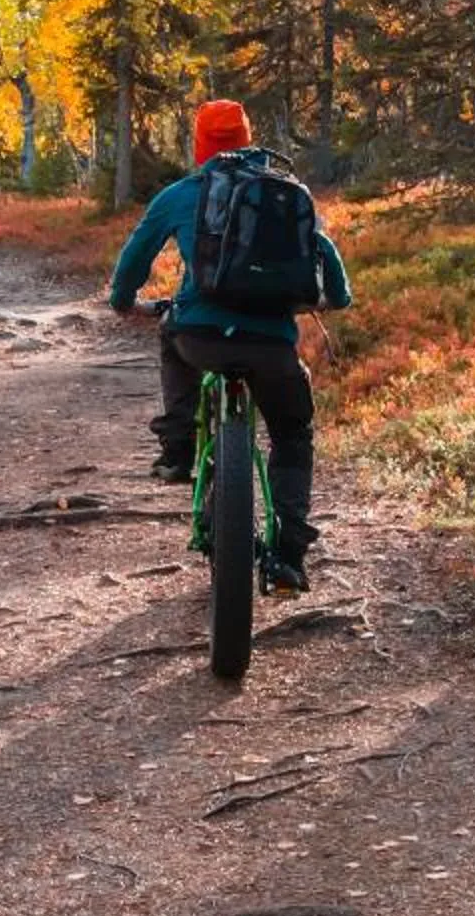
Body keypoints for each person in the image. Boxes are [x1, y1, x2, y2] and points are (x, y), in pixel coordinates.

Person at [106, 99, 353, 592]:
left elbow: (134, 259)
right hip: (271, 347)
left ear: (200, 145)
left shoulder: (181, 194)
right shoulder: (284, 193)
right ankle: (288, 557)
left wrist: (126, 302)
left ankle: (178, 449)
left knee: (170, 331)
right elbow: (330, 268)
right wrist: (328, 301)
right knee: (291, 435)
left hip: (200, 338)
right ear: (247, 138)